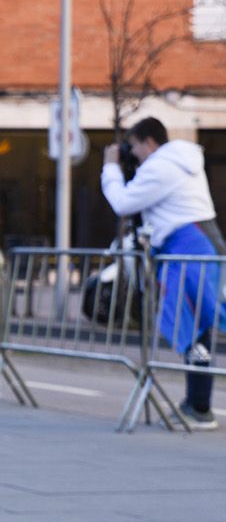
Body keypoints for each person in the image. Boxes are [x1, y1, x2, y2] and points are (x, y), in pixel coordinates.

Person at [100, 117, 223, 430]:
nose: (135, 154)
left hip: (191, 247)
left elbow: (123, 202)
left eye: (135, 147)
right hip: (195, 243)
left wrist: (112, 168)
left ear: (149, 142)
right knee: (197, 324)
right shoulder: (179, 162)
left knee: (197, 325)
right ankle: (197, 402)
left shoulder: (163, 166)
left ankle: (199, 406)